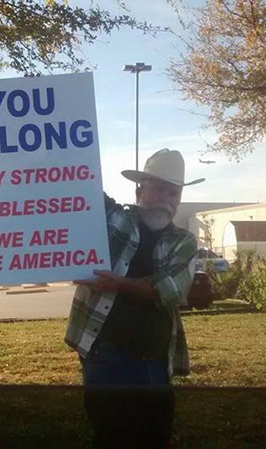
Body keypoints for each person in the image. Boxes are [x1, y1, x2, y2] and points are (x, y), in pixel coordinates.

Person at [64, 148, 203, 447]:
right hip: (103, 355)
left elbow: (172, 289)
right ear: (140, 190)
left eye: (173, 192)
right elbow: (74, 184)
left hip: (155, 361)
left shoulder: (185, 241)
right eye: (158, 189)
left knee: (155, 435)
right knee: (109, 434)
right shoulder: (113, 217)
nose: (165, 199)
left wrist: (118, 284)